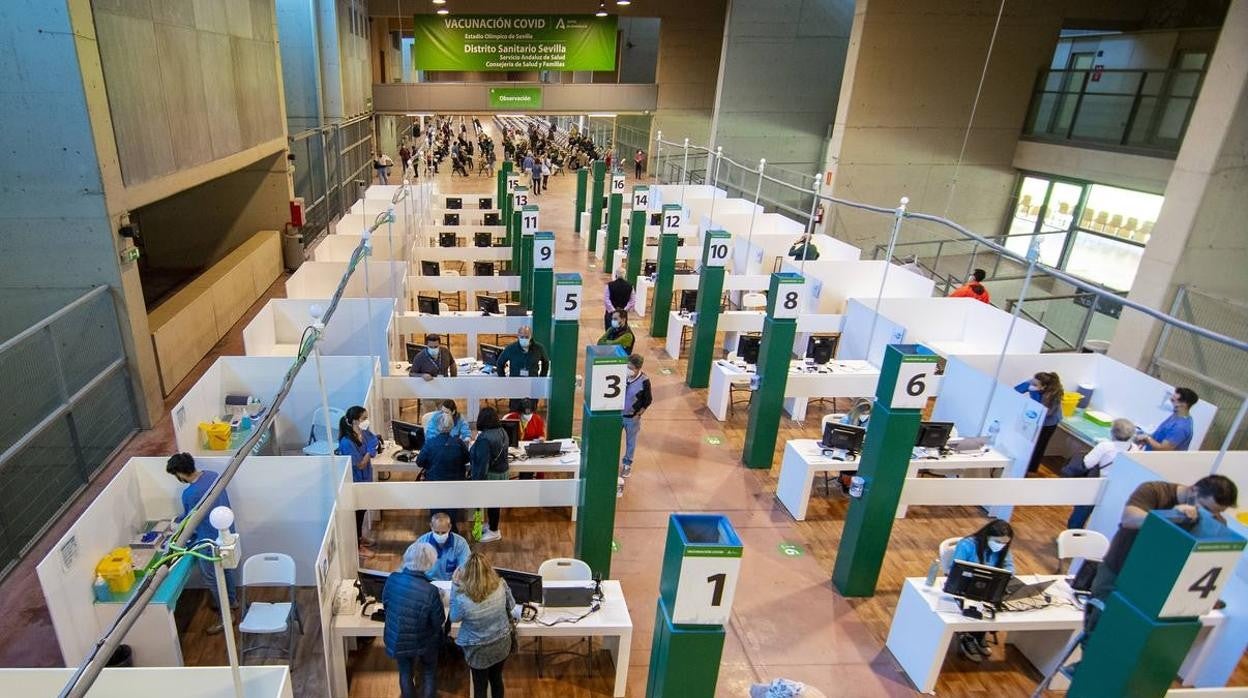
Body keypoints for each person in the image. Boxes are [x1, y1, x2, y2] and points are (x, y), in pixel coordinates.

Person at [1085, 475, 1237, 634]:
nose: (1210, 516)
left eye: (1217, 513)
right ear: (1194, 490)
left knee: (1127, 639)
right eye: (1205, 508)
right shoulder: (1154, 491)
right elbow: (1129, 519)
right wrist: (1170, 516)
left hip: (1153, 588)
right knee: (1096, 634)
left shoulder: (1215, 521)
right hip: (1117, 574)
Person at [166, 453, 238, 634]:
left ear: (179, 473)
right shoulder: (213, 476)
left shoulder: (190, 493)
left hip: (208, 543)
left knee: (213, 580)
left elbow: (192, 520)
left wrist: (177, 528)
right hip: (226, 536)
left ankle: (226, 616)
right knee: (227, 570)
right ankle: (232, 600)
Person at [382, 542, 446, 698]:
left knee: (405, 673)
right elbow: (439, 621)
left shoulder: (392, 579)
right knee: (429, 672)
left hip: (397, 637)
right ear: (429, 563)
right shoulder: (430, 590)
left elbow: (386, 604)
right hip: (423, 641)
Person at [450, 552, 516, 698]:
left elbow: (454, 618)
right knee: (496, 679)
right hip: (502, 642)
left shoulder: (463, 599)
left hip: (478, 650)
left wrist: (455, 586)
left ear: (466, 574)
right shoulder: (501, 584)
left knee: (480, 686)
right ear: (488, 569)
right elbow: (511, 605)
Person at [950, 519, 1015, 661]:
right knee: (977, 605)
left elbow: (1009, 568)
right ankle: (967, 636)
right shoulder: (967, 545)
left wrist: (1006, 576)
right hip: (965, 586)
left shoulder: (1004, 549)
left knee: (999, 605)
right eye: (998, 542)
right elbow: (955, 569)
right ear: (987, 536)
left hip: (989, 588)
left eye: (1004, 543)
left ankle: (979, 635)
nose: (1001, 546)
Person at [1064, 418, 1136, 528]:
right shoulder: (1134, 448)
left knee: (1082, 510)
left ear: (1112, 432)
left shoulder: (1105, 446)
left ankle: (1072, 534)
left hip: (1098, 485)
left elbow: (1087, 463)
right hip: (1118, 488)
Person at [336, 406, 381, 558]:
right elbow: (360, 464)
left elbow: (374, 440)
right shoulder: (347, 442)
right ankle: (357, 546)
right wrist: (370, 451)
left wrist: (372, 447)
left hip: (365, 478)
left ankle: (360, 538)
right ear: (355, 421)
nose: (366, 421)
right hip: (355, 481)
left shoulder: (364, 432)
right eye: (363, 419)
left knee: (363, 510)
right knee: (357, 514)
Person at [416, 413, 470, 527]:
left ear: (437, 426)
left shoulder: (430, 443)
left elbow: (419, 462)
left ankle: (436, 532)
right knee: (452, 514)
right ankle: (452, 530)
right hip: (455, 485)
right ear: (451, 426)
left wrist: (430, 463)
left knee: (436, 515)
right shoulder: (459, 443)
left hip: (435, 484)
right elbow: (467, 459)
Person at [470, 407, 511, 543]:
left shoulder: (484, 438)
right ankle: (493, 526)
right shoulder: (503, 432)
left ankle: (494, 531)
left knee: (491, 503)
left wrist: (477, 481)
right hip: (503, 472)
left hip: (491, 475)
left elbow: (482, 463)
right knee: (495, 502)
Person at [1015, 371, 1064, 473]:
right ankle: (1021, 465)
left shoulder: (1052, 396)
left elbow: (1047, 412)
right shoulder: (1033, 382)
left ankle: (1031, 469)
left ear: (1044, 387)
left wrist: (1029, 411)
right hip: (1035, 419)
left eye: (1035, 385)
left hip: (1048, 423)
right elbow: (1015, 391)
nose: (1032, 385)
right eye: (1032, 382)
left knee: (1039, 446)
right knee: (1026, 443)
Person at [619, 354, 652, 479]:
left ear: (638, 368)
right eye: (627, 366)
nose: (628, 369)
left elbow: (648, 400)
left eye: (631, 367)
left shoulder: (644, 381)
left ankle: (627, 465)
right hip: (618, 415)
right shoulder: (621, 376)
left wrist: (638, 414)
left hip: (631, 418)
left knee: (630, 442)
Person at [1137, 387, 1198, 452]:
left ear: (1184, 404)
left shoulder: (1181, 428)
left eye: (1173, 400)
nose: (1170, 401)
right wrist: (1147, 440)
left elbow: (1163, 449)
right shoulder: (1177, 414)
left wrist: (1147, 438)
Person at [414, 512, 471, 581]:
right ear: (431, 526)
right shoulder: (421, 542)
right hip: (427, 583)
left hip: (452, 583)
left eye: (443, 532)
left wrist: (457, 579)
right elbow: (414, 568)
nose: (440, 535)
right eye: (437, 532)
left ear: (450, 526)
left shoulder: (460, 543)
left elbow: (466, 568)